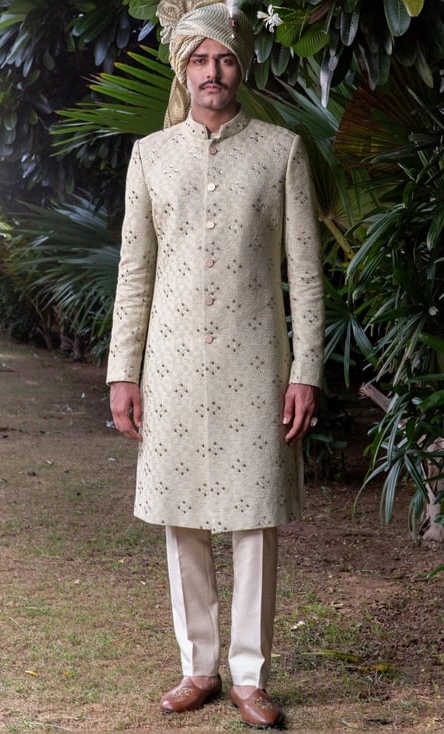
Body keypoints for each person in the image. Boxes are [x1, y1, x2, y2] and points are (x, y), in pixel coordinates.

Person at [106, 0, 325, 727]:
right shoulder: (150, 155)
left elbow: (307, 274)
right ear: (182, 69)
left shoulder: (281, 150)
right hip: (170, 364)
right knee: (182, 515)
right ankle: (197, 668)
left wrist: (306, 370)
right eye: (199, 60)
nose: (212, 72)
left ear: (241, 67)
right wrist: (122, 372)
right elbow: (134, 273)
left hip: (257, 362)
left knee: (254, 519)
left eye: (224, 58)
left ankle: (250, 677)